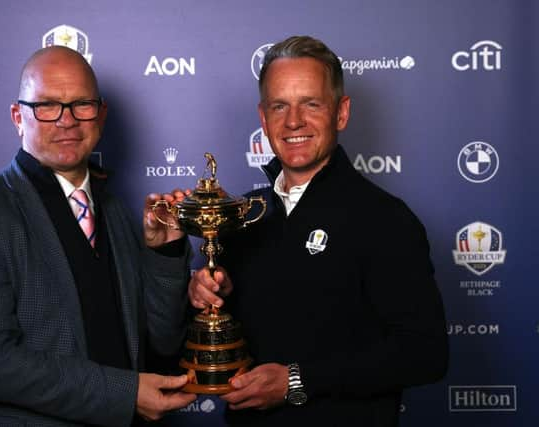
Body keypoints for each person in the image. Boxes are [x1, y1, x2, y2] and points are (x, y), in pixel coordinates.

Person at [188, 35, 448, 426]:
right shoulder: (243, 215)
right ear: (263, 118)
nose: (293, 121)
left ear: (341, 113)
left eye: (311, 103)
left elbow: (425, 353)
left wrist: (296, 381)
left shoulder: (386, 219)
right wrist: (208, 293)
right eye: (280, 106)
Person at [0, 45, 197, 427]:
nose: (66, 120)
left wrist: (166, 253)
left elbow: (161, 342)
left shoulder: (117, 214)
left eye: (82, 104)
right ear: (17, 116)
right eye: (47, 106)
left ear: (101, 115)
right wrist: (123, 394)